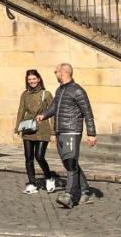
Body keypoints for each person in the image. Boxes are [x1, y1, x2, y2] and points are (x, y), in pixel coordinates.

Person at [36, 63, 97, 209]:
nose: (55, 73)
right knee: (70, 163)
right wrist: (43, 115)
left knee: (70, 163)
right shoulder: (60, 90)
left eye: (56, 71)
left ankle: (69, 195)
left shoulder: (78, 91)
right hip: (60, 131)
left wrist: (91, 133)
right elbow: (54, 107)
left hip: (72, 131)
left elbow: (88, 113)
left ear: (63, 72)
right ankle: (85, 191)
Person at [14, 70, 55, 193]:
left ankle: (49, 177)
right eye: (29, 79)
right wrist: (17, 128)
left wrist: (54, 132)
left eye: (34, 79)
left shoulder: (46, 94)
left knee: (39, 156)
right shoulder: (25, 95)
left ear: (39, 79)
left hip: (43, 129)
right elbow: (21, 111)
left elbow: (53, 113)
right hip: (28, 128)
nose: (31, 81)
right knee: (28, 158)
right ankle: (32, 184)